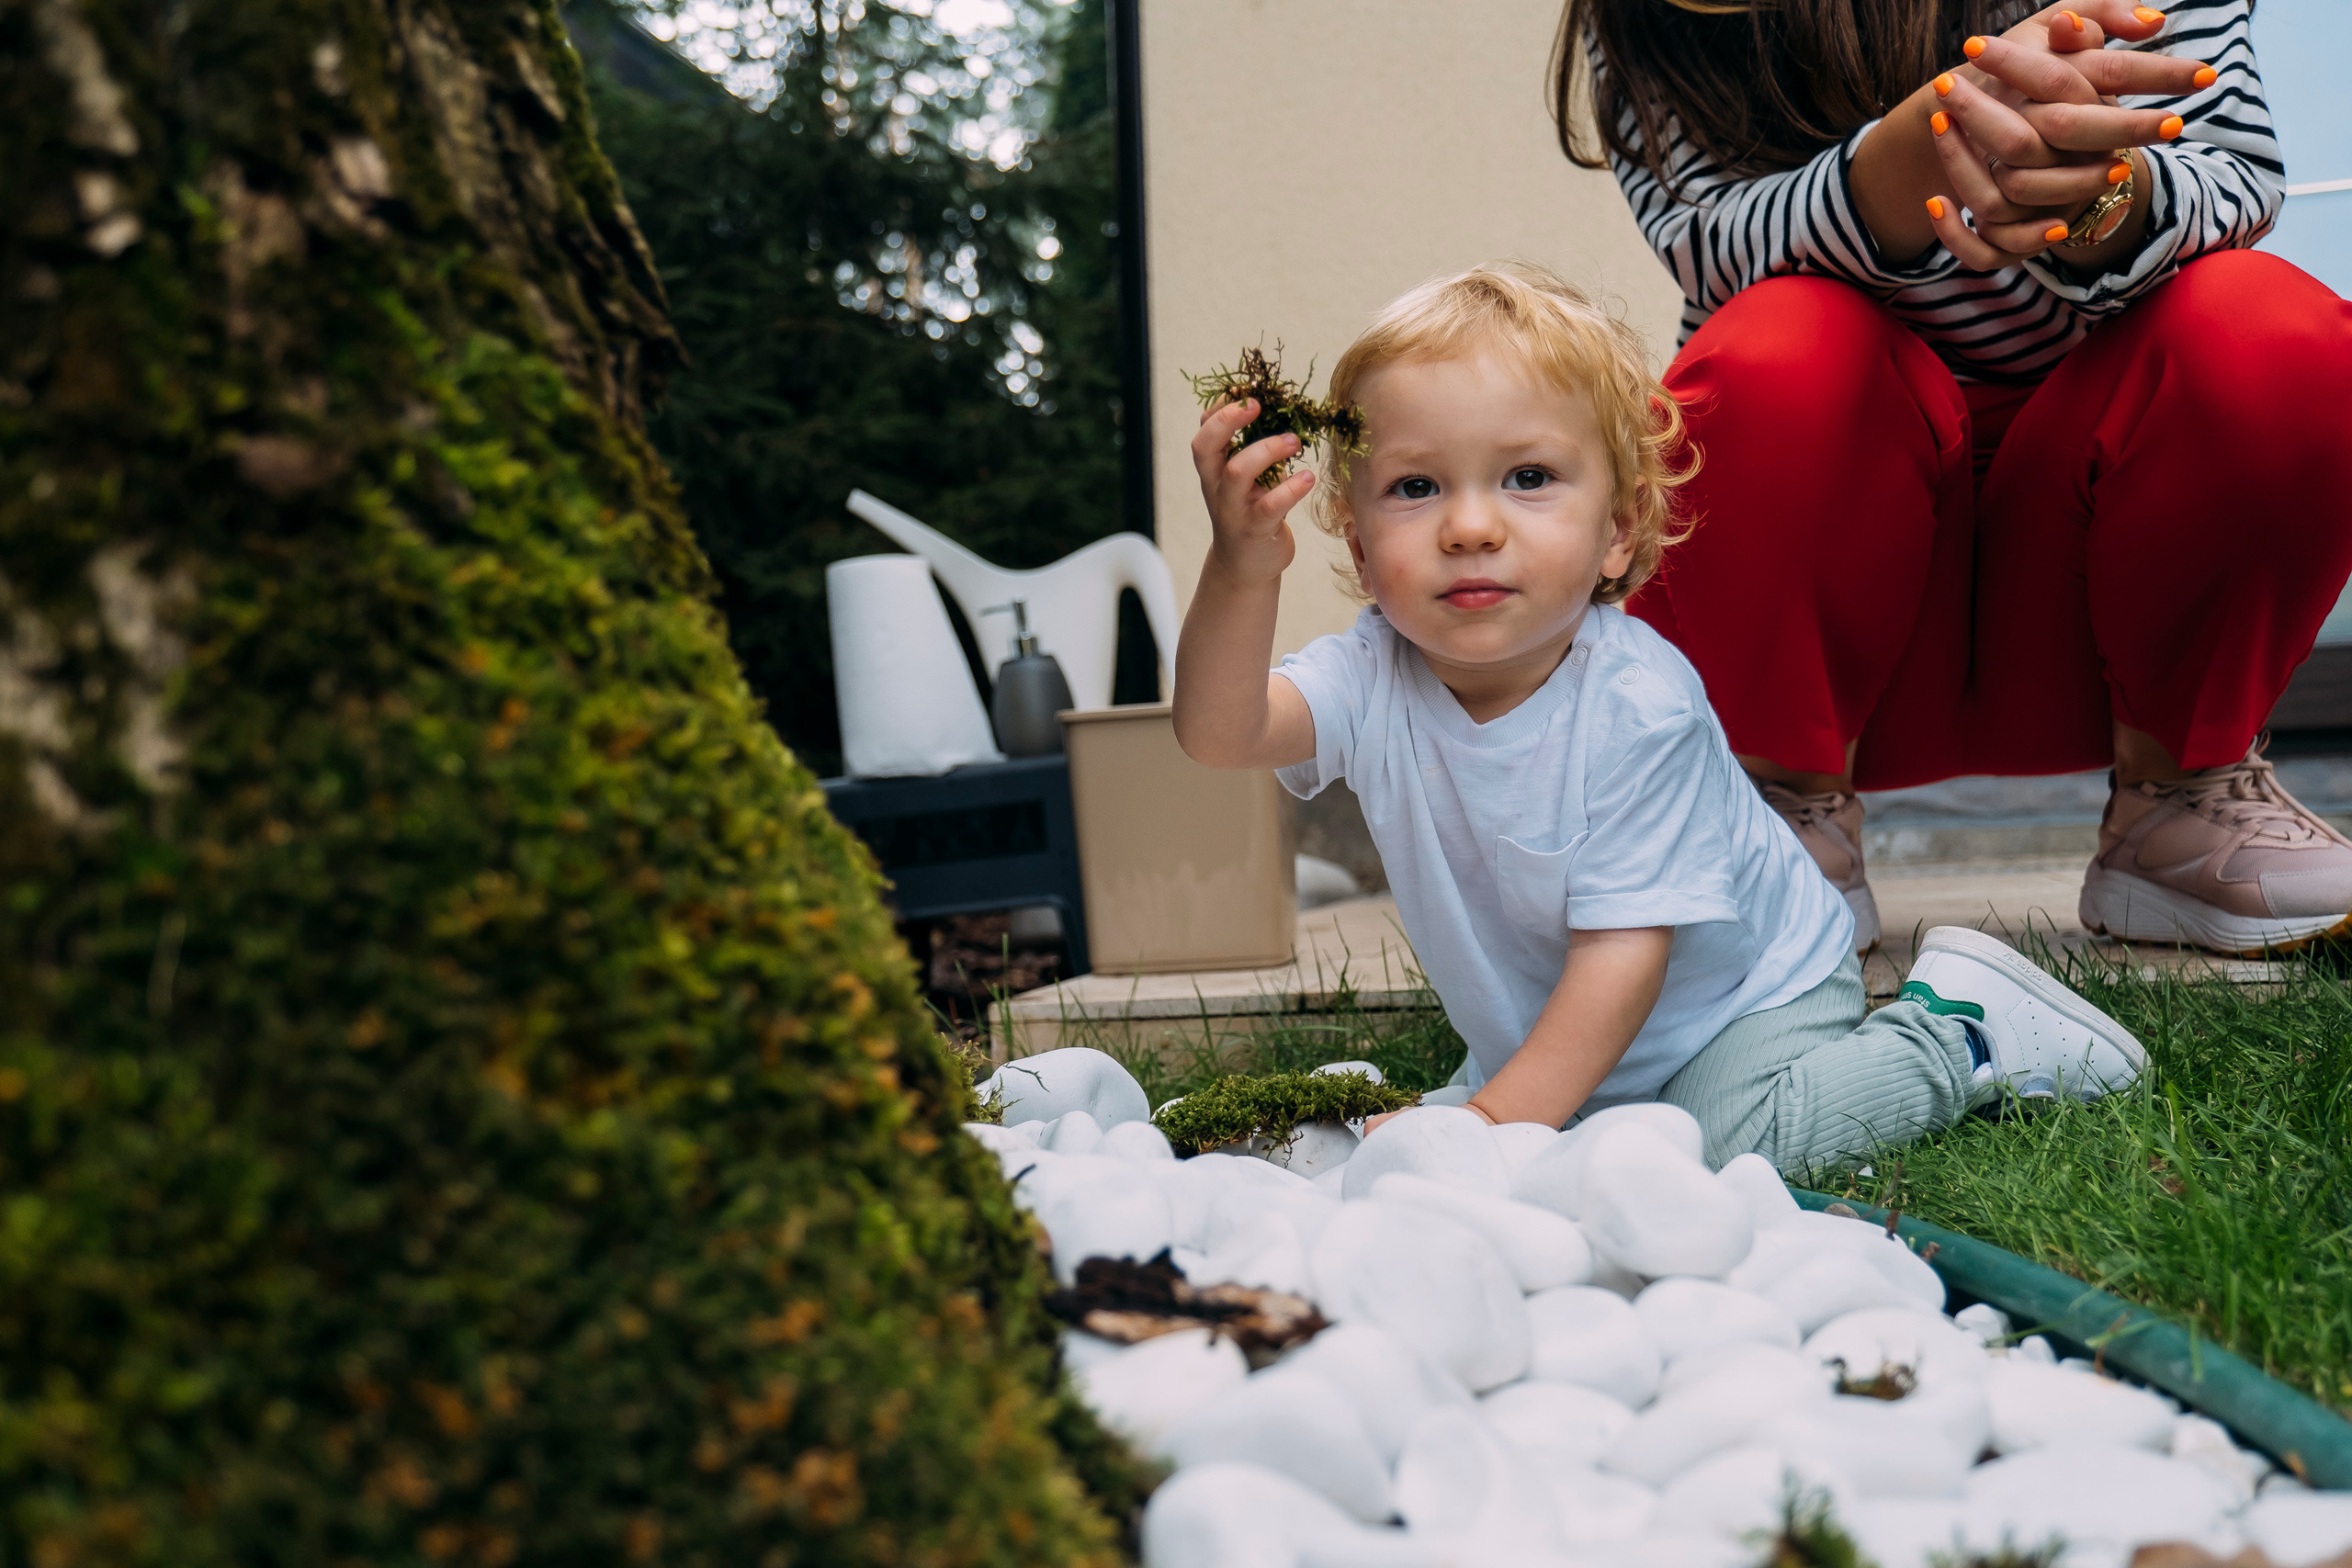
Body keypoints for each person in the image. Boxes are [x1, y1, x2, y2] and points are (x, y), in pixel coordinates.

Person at [1171, 262, 2143, 1167]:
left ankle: (1957, 1030)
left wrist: (1493, 1128)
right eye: (1416, 488)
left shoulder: (1637, 707)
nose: (1469, 526)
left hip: (1744, 995)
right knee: (1568, 1140)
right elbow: (1220, 734)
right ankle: (1551, 1099)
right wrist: (1240, 569)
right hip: (1571, 1015)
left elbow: (1623, 956)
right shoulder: (1372, 671)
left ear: (1618, 531)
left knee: (1715, 1148)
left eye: (1528, 478)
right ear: (1354, 529)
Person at [1556, 0, 2352, 957]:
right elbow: (1712, 248)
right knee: (1774, 351)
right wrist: (1925, 148)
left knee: (2267, 332)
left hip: (2110, 590)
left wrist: (2093, 196)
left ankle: (2178, 801)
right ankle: (1778, 815)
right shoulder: (1650, 20)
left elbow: (2234, 177)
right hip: (1822, 617)